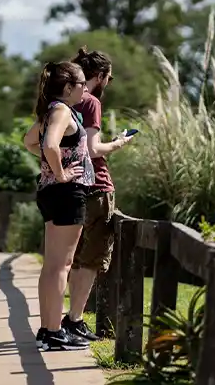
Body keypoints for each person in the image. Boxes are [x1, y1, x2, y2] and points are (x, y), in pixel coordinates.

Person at [22, 61, 94, 351]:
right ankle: (53, 331)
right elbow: (49, 144)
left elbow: (29, 142)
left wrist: (51, 170)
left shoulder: (51, 110)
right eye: (81, 84)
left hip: (50, 193)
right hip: (67, 193)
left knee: (51, 266)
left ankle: (47, 330)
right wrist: (62, 173)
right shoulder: (63, 110)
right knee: (61, 265)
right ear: (67, 88)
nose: (85, 89)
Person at [62, 46, 133, 342]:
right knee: (92, 258)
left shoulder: (61, 101)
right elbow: (93, 149)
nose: (108, 84)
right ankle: (75, 319)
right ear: (100, 76)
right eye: (109, 78)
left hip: (69, 185)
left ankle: (68, 318)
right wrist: (118, 143)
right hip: (96, 186)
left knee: (74, 257)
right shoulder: (90, 102)